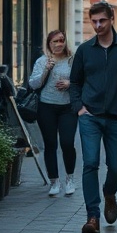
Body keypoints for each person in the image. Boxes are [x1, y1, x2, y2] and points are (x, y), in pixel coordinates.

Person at [69, 2, 117, 233]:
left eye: (102, 20)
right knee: (90, 163)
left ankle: (109, 193)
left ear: (111, 19)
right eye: (94, 21)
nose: (98, 25)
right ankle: (93, 217)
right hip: (89, 116)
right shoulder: (84, 50)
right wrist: (79, 108)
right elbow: (75, 83)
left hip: (116, 118)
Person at [28, 29, 78, 198]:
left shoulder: (72, 60)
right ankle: (54, 181)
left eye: (61, 40)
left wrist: (70, 83)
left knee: (67, 142)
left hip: (68, 107)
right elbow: (33, 84)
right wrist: (45, 71)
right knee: (50, 144)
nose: (58, 44)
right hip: (46, 107)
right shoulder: (43, 61)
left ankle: (70, 179)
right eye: (54, 41)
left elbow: (83, 80)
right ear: (49, 44)